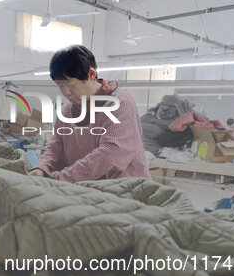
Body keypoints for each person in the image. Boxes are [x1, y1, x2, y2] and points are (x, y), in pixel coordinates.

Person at [29, 45, 150, 182]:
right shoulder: (66, 111)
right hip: (87, 189)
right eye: (60, 85)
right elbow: (56, 147)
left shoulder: (119, 104)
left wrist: (62, 178)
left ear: (91, 75)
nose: (66, 92)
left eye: (71, 85)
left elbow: (110, 153)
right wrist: (41, 168)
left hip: (126, 190)